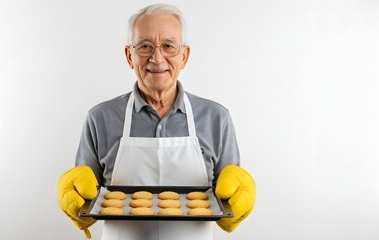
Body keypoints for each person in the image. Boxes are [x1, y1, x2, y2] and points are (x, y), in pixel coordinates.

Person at [58, 3, 256, 240]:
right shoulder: (100, 118)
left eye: (169, 46)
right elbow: (86, 200)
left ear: (185, 56)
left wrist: (238, 204)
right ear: (129, 55)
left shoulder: (217, 119)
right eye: (144, 46)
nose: (157, 57)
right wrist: (75, 202)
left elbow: (228, 203)